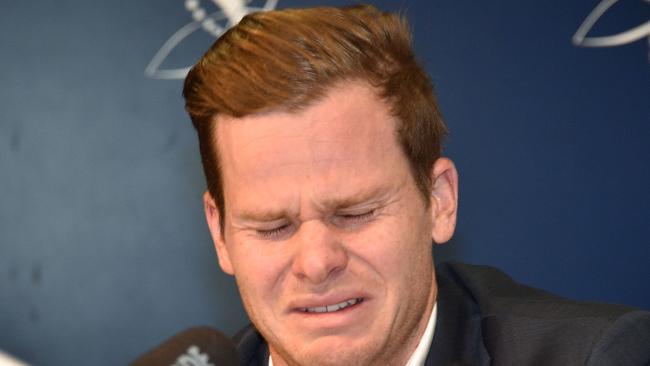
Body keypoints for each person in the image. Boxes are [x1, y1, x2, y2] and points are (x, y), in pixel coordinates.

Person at [182, 5, 650, 366]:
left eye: (354, 213)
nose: (316, 262)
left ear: (440, 200)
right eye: (271, 226)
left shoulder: (594, 357)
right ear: (220, 234)